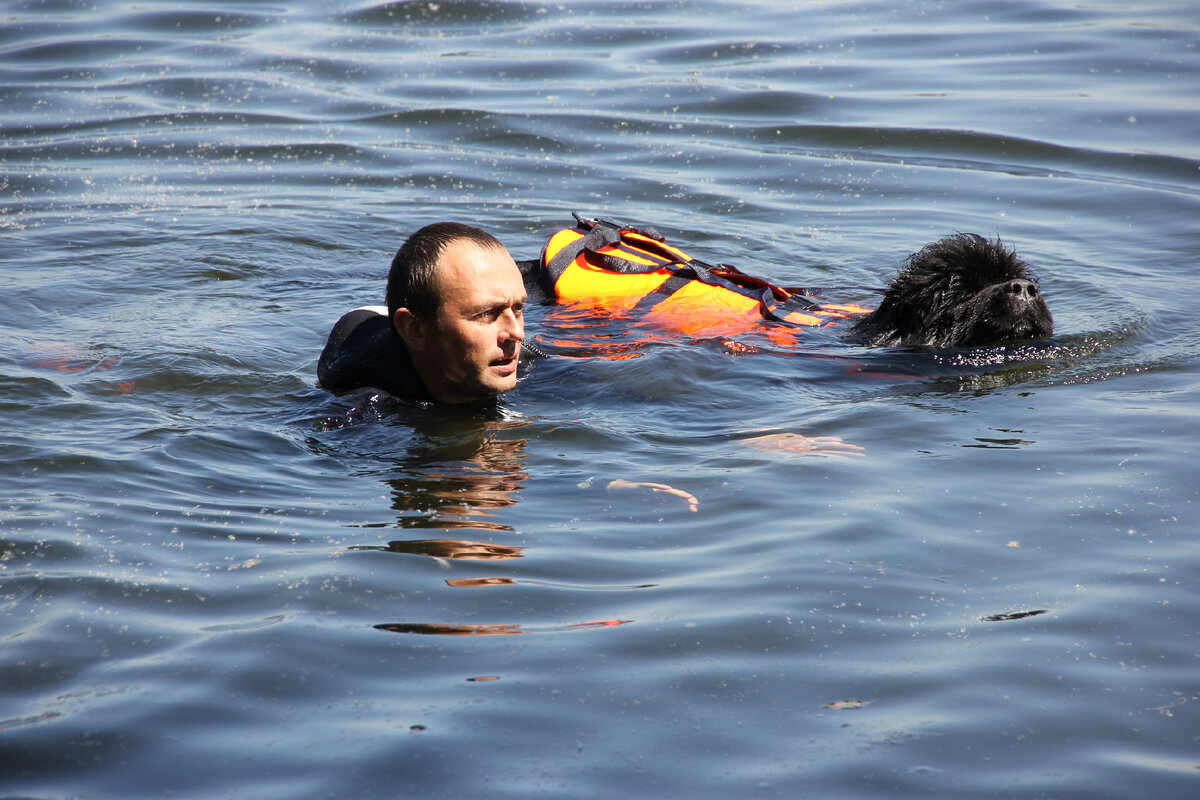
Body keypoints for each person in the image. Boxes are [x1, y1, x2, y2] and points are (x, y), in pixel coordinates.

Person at [318, 222, 527, 404]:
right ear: (415, 329)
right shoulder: (367, 409)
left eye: (518, 308)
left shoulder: (525, 361)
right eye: (486, 314)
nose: (517, 333)